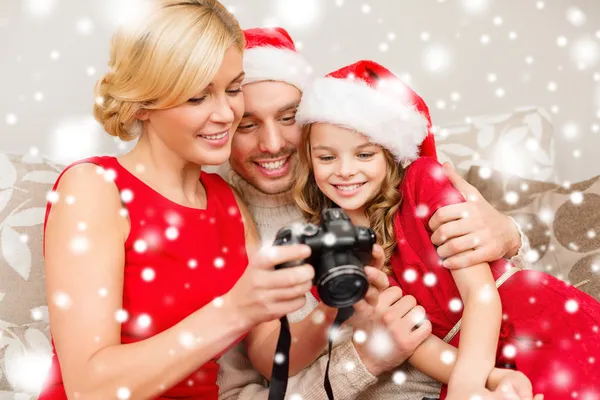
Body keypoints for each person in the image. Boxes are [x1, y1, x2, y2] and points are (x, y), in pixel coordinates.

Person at [38, 2, 375, 398]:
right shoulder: (93, 187)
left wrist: (337, 304)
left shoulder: (226, 203)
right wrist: (235, 310)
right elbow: (90, 387)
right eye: (198, 98)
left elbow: (269, 353)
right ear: (142, 104)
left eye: (233, 90)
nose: (226, 114)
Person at [217, 27, 538, 400]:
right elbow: (249, 386)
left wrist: (510, 235)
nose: (271, 144)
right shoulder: (224, 220)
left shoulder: (380, 169)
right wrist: (366, 358)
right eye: (247, 124)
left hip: (482, 363)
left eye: (288, 117)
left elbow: (486, 277)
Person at [293, 59, 600, 399]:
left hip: (534, 319)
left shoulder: (423, 182)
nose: (345, 171)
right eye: (326, 158)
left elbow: (480, 294)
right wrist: (487, 381)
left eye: (364, 155)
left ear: (390, 154)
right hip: (471, 360)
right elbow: (413, 341)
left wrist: (467, 384)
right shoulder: (332, 251)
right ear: (308, 159)